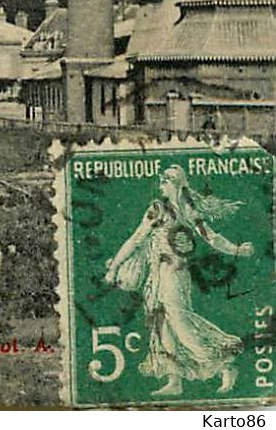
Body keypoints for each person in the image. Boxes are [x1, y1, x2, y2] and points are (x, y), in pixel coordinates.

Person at [103, 165, 253, 396]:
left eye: (169, 178)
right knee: (162, 324)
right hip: (156, 274)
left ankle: (224, 365)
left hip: (175, 272)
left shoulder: (188, 210)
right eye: (162, 177)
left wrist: (236, 249)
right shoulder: (157, 209)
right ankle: (175, 380)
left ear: (180, 184)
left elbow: (210, 237)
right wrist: (114, 267)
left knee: (181, 323)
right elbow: (135, 239)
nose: (162, 180)